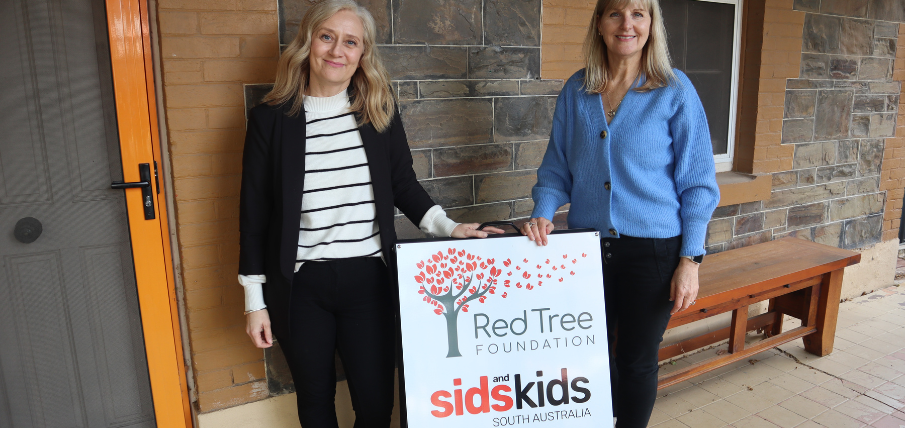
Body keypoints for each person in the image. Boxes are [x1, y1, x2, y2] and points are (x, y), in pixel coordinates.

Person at [237, 1, 503, 426]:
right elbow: (254, 214)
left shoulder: (377, 110)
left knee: (377, 407)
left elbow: (403, 185)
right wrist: (255, 302)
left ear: (363, 54)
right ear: (307, 43)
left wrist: (450, 228)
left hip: (369, 282)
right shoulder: (270, 120)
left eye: (350, 42)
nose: (336, 51)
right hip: (301, 287)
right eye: (327, 37)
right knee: (315, 404)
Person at [520, 0, 720, 426]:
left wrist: (690, 260)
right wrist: (543, 211)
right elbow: (556, 169)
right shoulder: (577, 90)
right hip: (587, 252)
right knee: (586, 354)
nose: (626, 24)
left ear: (652, 23)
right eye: (615, 13)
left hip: (654, 253)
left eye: (638, 13)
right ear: (599, 23)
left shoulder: (674, 90)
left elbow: (698, 184)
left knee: (635, 360)